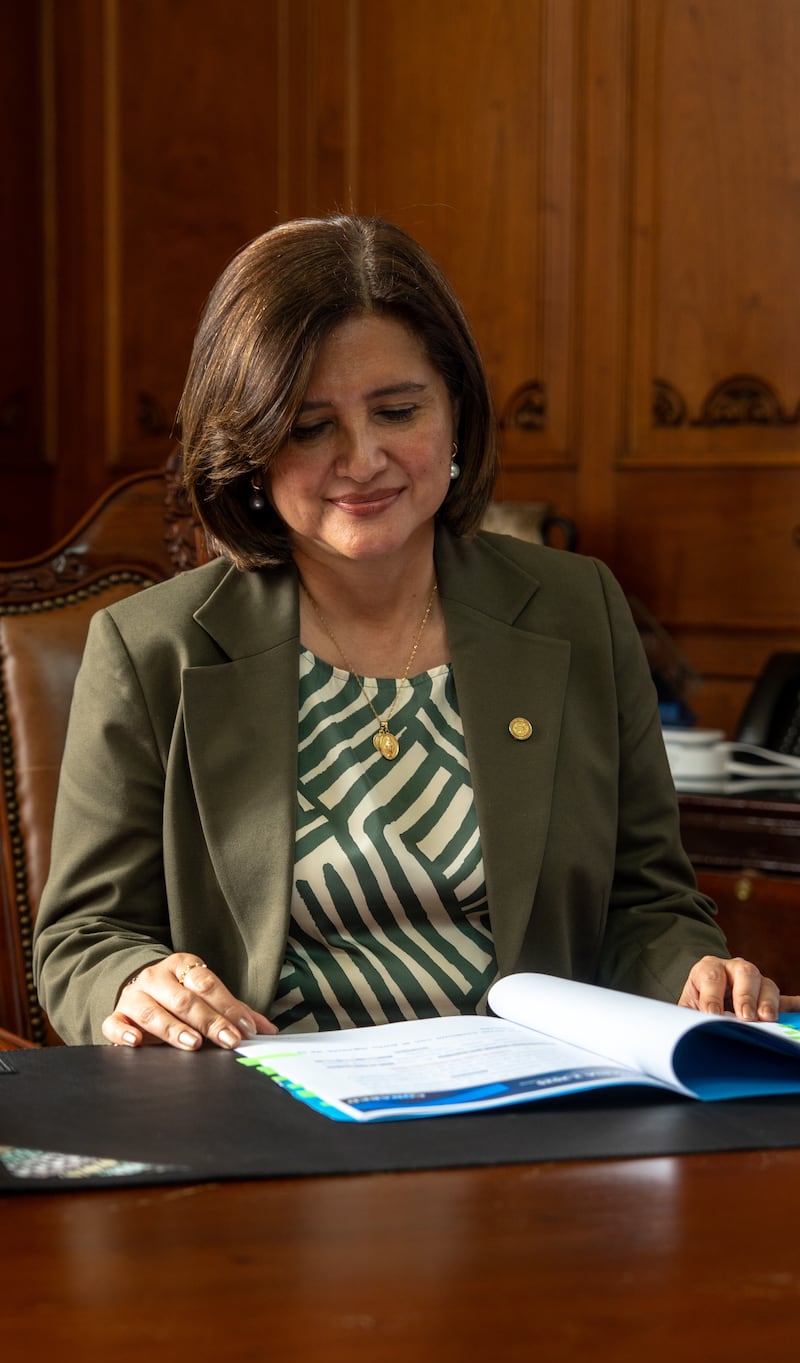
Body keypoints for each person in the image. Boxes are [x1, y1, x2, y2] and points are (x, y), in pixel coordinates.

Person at [33, 214, 795, 1050]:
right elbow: (81, 946)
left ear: (457, 413)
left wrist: (695, 971)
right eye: (309, 426)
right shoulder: (151, 650)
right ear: (250, 446)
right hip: (272, 1120)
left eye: (397, 410)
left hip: (536, 1113)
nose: (362, 460)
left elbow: (649, 902)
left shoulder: (579, 608)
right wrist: (134, 984)